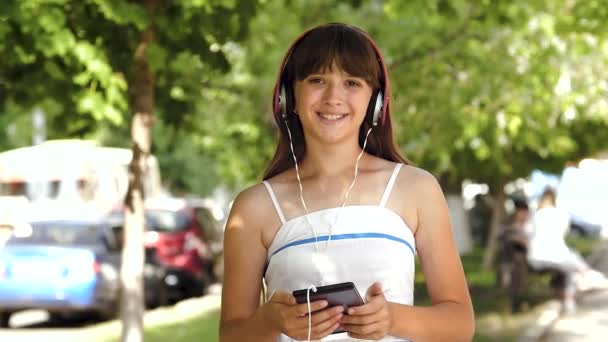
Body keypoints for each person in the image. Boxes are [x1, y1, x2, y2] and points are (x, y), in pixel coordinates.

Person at [219, 23, 474, 342]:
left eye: (352, 82)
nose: (333, 97)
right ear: (288, 97)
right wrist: (271, 320)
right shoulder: (253, 207)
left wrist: (392, 319)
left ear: (376, 102)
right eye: (317, 80)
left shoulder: (416, 188)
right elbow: (231, 335)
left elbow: (461, 324)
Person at [527, 187, 608, 314]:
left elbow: (528, 234)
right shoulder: (560, 215)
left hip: (536, 257)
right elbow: (563, 235)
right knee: (571, 264)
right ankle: (582, 284)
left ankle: (587, 276)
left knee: (572, 260)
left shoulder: (536, 215)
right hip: (553, 257)